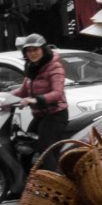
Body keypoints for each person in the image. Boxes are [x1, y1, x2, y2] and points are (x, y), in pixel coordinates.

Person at [10, 33, 68, 170]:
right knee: (25, 148)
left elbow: (57, 93)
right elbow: (22, 91)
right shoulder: (32, 67)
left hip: (56, 115)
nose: (32, 53)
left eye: (35, 49)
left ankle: (54, 185)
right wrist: (4, 97)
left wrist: (34, 100)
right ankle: (28, 183)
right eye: (29, 50)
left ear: (43, 49)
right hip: (40, 116)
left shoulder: (55, 67)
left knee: (45, 151)